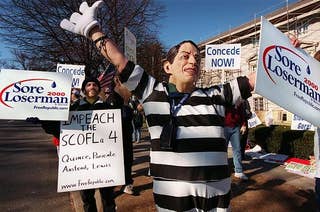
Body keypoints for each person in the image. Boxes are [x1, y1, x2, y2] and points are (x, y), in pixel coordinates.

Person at [59, 1, 255, 211]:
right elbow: (119, 61)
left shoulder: (218, 94)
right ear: (167, 66)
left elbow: (256, 79)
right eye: (185, 56)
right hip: (172, 196)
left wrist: (286, 53)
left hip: (218, 195)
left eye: (197, 58)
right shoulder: (152, 91)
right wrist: (93, 30)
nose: (194, 61)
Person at [42, 77, 119, 212]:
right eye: (88, 84)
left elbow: (120, 127)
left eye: (95, 84)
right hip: (83, 163)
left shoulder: (107, 108)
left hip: (104, 159)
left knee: (108, 197)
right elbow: (59, 130)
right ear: (84, 89)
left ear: (99, 88)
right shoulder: (74, 108)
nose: (92, 86)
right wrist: (44, 120)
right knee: (87, 198)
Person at [224, 102, 248, 180]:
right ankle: (222, 170)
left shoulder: (239, 100)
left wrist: (244, 124)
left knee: (237, 149)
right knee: (223, 151)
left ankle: (239, 172)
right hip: (224, 127)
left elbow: (242, 112)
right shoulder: (224, 98)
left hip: (236, 127)